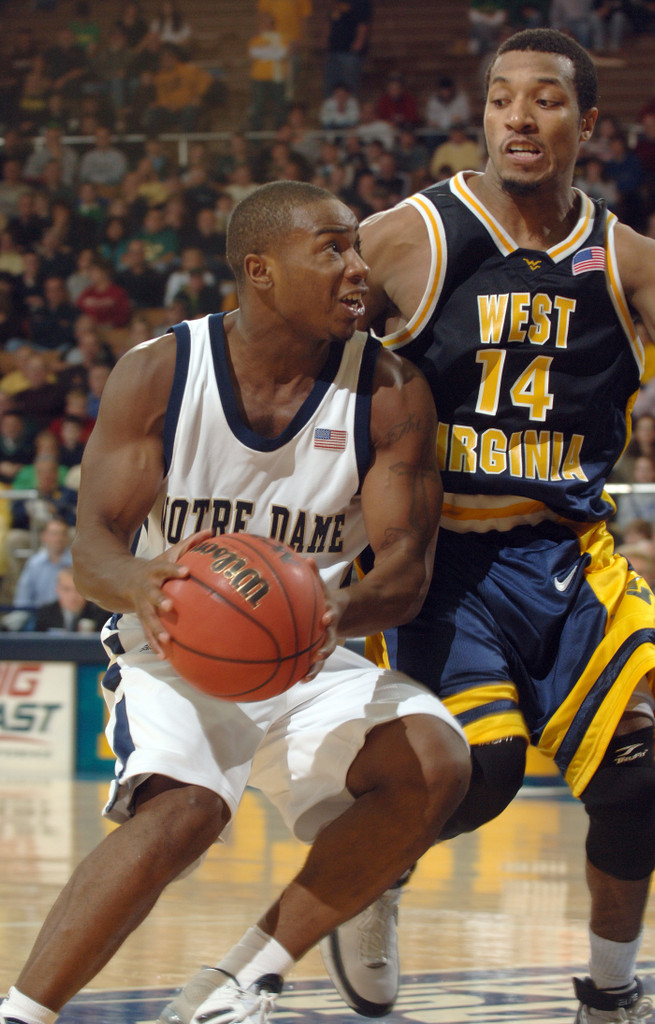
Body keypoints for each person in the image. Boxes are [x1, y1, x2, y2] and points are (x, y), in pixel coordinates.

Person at [0, 179, 471, 1024]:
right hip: (173, 647)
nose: (358, 269)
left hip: (309, 646)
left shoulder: (389, 390)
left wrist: (338, 613)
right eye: (332, 249)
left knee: (434, 760)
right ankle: (22, 1015)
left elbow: (405, 572)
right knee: (184, 811)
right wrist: (141, 582)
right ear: (261, 269)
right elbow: (94, 548)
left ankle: (238, 980)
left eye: (358, 248)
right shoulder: (159, 372)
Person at [316, 28, 655, 1024]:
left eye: (544, 99)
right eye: (501, 97)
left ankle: (609, 992)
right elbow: (287, 347)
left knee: (640, 776)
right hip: (438, 560)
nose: (518, 117)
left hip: (565, 556)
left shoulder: (627, 262)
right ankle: (373, 873)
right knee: (484, 770)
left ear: (587, 122)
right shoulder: (410, 236)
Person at [33, 565, 106, 632]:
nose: (73, 596)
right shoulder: (45, 613)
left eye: (78, 590)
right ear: (57, 589)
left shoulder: (100, 614)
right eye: (66, 589)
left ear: (85, 591)